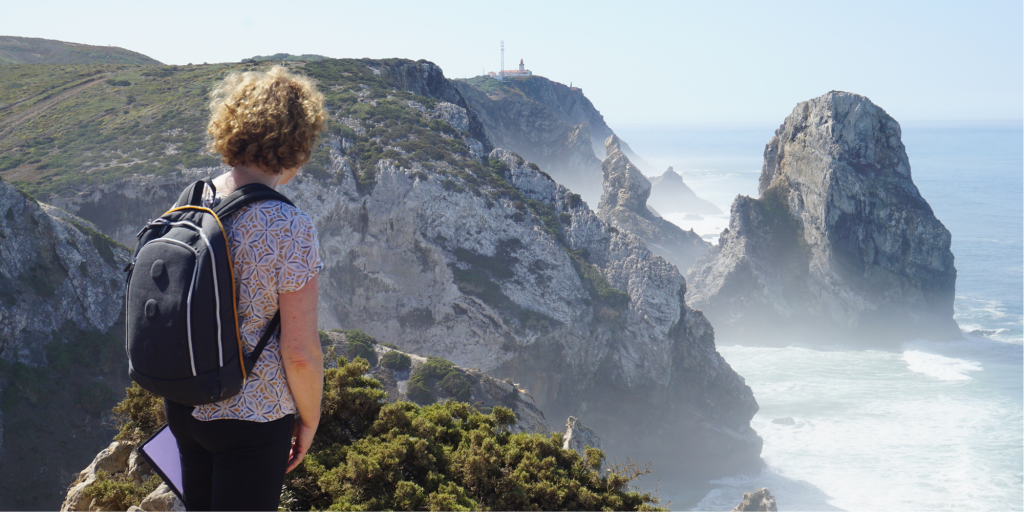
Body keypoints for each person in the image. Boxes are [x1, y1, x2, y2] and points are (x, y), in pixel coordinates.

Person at [162, 65, 327, 511]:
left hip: (185, 403)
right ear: (297, 145)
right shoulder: (289, 226)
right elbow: (299, 352)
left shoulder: (192, 200)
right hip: (251, 415)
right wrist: (309, 419)